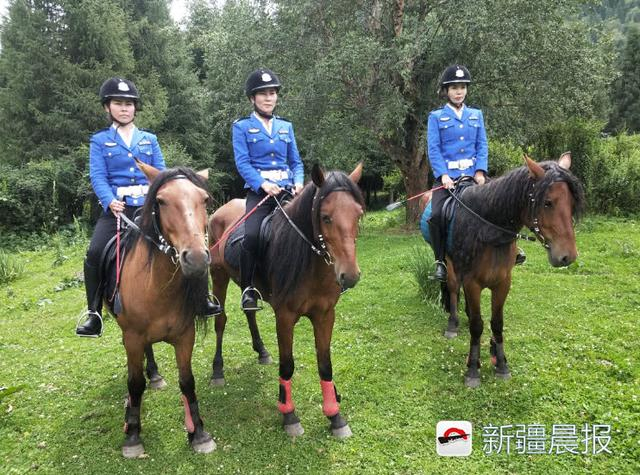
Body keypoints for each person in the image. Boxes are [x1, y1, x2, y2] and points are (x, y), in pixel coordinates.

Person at [76, 77, 220, 337]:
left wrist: (161, 197)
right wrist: (109, 200)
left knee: (191, 241)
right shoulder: (100, 141)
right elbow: (98, 176)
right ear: (107, 107)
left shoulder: (149, 139)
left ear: (135, 108)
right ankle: (94, 313)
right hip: (118, 210)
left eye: (129, 104)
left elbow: (162, 175)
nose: (124, 108)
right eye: (118, 103)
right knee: (95, 252)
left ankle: (202, 298)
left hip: (149, 208)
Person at [426, 65, 525, 283]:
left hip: (474, 176)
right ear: (446, 91)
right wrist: (443, 175)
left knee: (502, 203)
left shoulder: (476, 115)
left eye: (462, 87)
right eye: (454, 88)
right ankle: (440, 261)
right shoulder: (436, 117)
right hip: (449, 178)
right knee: (437, 216)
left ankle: (513, 249)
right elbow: (434, 149)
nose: (458, 92)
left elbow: (482, 145)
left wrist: (480, 172)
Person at [232, 68, 304, 311]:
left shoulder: (286, 126)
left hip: (288, 192)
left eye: (272, 93)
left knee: (313, 226)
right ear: (252, 98)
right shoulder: (242, 127)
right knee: (252, 235)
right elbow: (242, 163)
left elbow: (296, 162)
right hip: (260, 194)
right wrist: (262, 184)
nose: (268, 98)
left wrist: (298, 181)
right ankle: (248, 288)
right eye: (263, 94)